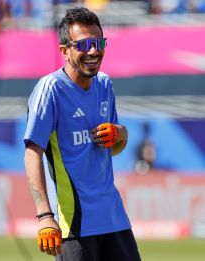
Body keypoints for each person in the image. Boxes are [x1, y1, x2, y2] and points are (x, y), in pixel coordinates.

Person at [24, 7, 141, 261]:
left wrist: (119, 134)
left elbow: (115, 148)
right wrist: (45, 216)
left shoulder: (105, 84)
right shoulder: (51, 90)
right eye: (84, 44)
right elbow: (33, 153)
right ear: (64, 51)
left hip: (115, 220)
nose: (93, 51)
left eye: (98, 42)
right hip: (75, 227)